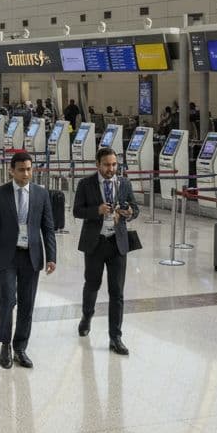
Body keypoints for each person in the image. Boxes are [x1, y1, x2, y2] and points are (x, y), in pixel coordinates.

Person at [0, 151, 56, 370]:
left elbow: (48, 227)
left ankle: (20, 347)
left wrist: (52, 256)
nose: (26, 174)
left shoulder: (41, 194)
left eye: (29, 169)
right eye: (22, 169)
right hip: (6, 255)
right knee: (7, 299)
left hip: (31, 255)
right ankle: (5, 344)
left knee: (27, 303)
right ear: (11, 170)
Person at [72, 147, 137, 356]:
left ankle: (115, 337)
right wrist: (96, 211)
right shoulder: (86, 184)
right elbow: (77, 210)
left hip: (117, 243)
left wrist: (128, 213)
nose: (111, 169)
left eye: (114, 165)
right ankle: (87, 315)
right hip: (95, 242)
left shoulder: (124, 183)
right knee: (92, 284)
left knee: (117, 292)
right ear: (98, 165)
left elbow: (135, 208)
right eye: (107, 165)